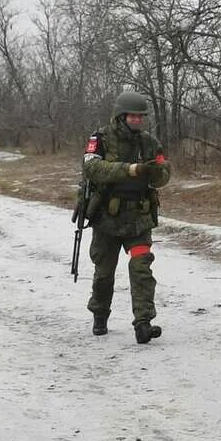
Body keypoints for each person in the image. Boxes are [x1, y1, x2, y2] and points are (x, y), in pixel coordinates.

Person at [81, 90, 170, 343]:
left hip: (138, 219)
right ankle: (100, 314)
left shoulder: (149, 142)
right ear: (121, 117)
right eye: (133, 116)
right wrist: (130, 170)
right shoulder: (100, 139)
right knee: (104, 273)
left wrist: (156, 173)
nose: (138, 121)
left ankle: (143, 322)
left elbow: (164, 173)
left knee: (141, 268)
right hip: (107, 218)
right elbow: (92, 168)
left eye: (141, 117)